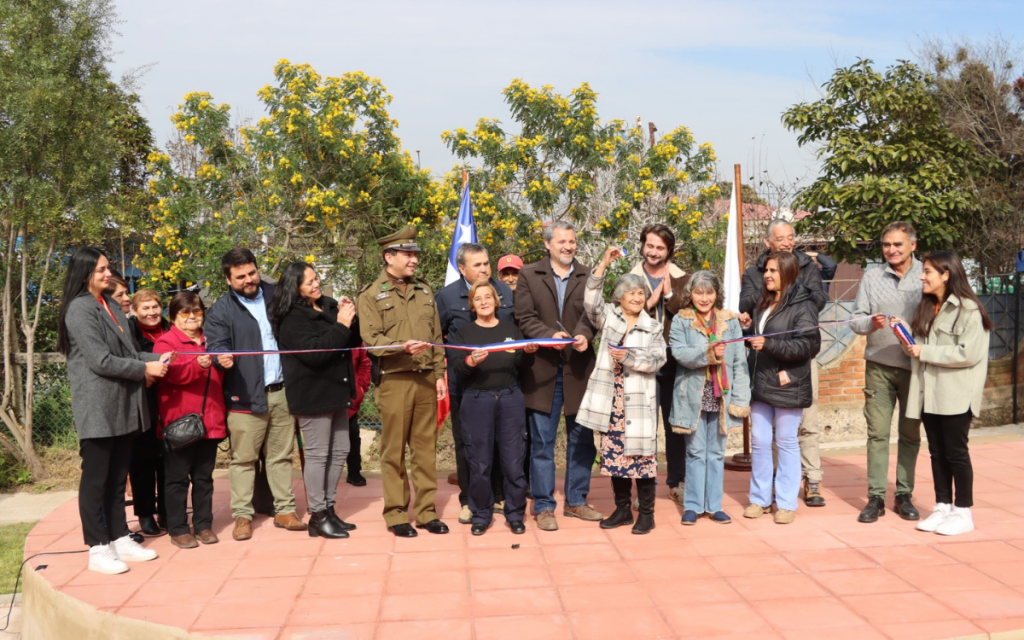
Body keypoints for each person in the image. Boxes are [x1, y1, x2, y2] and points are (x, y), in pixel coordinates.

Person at [57, 247, 168, 574]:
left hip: (122, 404)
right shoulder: (79, 309)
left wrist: (158, 358)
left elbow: (131, 352)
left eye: (108, 268)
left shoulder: (110, 306)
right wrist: (145, 371)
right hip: (98, 407)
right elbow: (100, 361)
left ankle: (119, 536)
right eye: (102, 270)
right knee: (96, 479)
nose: (109, 275)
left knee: (119, 476)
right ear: (85, 273)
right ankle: (97, 547)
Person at [205, 248, 306, 541]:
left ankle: (285, 511)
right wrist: (220, 357)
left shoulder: (277, 295)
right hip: (244, 396)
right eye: (240, 277)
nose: (249, 280)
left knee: (280, 457)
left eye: (252, 273)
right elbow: (215, 345)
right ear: (228, 279)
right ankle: (242, 516)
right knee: (243, 460)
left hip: (282, 392)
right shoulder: (221, 310)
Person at [357, 225, 449, 537]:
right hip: (394, 380)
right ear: (389, 256)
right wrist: (401, 347)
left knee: (424, 451)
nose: (414, 260)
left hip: (425, 380)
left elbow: (436, 337)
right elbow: (371, 340)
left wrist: (439, 375)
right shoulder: (371, 295)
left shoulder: (424, 290)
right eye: (408, 254)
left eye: (414, 254)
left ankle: (426, 513)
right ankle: (396, 514)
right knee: (393, 451)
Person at [900, 251, 992, 536]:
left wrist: (924, 351)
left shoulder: (968, 309)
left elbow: (968, 353)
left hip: (955, 393)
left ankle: (963, 511)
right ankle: (942, 506)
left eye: (928, 271)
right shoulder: (929, 306)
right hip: (929, 392)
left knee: (956, 453)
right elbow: (922, 346)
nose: (922, 276)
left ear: (946, 274)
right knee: (937, 453)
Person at [739, 218, 830, 507]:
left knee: (801, 429)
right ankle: (764, 495)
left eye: (791, 237)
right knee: (762, 439)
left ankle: (807, 483)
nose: (788, 242)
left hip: (794, 367)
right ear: (768, 243)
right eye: (781, 238)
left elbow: (816, 308)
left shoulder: (806, 272)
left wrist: (790, 294)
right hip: (761, 371)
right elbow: (746, 308)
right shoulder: (756, 280)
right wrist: (767, 299)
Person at [516, 220, 599, 531]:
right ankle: (544, 505)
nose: (568, 246)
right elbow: (524, 317)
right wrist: (550, 335)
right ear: (548, 244)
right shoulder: (529, 274)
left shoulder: (588, 274)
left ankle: (577, 500)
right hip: (542, 372)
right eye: (562, 241)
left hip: (579, 369)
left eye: (572, 241)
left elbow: (593, 314)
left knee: (582, 441)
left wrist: (583, 335)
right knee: (542, 442)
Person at [577, 247, 666, 534]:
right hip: (611, 401)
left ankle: (647, 514)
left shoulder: (652, 327)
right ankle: (623, 509)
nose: (638, 297)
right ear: (619, 297)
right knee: (615, 459)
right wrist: (603, 262)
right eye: (632, 293)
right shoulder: (609, 317)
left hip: (639, 403)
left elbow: (657, 360)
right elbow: (590, 300)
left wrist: (629, 357)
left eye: (641, 293)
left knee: (642, 460)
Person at [270, 261, 362, 539]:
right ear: (294, 287)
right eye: (308, 281)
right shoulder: (291, 318)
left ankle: (329, 508)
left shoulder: (329, 305)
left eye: (316, 277)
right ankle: (317, 515)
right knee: (318, 454)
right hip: (311, 394)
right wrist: (341, 325)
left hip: (337, 389)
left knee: (340, 450)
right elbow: (315, 353)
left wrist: (351, 318)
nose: (315, 283)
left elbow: (352, 341)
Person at [436, 243, 515, 525]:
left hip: (500, 384)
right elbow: (437, 336)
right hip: (465, 385)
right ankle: (469, 499)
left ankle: (497, 495)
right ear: (462, 269)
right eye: (477, 265)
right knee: (467, 444)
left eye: (486, 263)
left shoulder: (504, 292)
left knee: (499, 441)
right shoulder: (445, 297)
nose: (484, 269)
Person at [851, 222, 924, 523]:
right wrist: (871, 323)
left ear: (912, 246)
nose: (891, 250)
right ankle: (876, 497)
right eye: (886, 245)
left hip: (915, 369)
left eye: (898, 244)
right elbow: (855, 321)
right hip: (878, 367)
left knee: (910, 435)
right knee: (877, 434)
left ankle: (904, 494)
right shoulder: (871, 276)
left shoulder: (926, 275)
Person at [450, 281, 536, 535]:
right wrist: (470, 361)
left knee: (512, 462)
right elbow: (458, 369)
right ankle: (481, 514)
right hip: (477, 401)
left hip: (510, 399)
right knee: (479, 463)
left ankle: (515, 513)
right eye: (478, 298)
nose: (484, 301)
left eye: (488, 297)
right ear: (472, 304)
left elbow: (522, 365)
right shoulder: (464, 334)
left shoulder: (512, 329)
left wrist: (529, 352)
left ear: (497, 301)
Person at [669, 271, 750, 525]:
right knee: (695, 452)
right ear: (689, 294)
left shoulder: (730, 322)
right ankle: (693, 505)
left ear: (717, 294)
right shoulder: (681, 321)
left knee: (716, 452)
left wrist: (741, 398)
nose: (704, 298)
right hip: (692, 395)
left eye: (709, 292)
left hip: (722, 395)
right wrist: (709, 352)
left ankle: (714, 506)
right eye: (698, 292)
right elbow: (680, 354)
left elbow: (738, 361)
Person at [153, 292, 231, 548]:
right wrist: (198, 365)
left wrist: (226, 361)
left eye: (196, 311)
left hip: (211, 419)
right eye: (185, 312)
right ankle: (177, 528)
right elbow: (169, 374)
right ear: (173, 316)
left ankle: (203, 525)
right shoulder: (165, 343)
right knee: (176, 478)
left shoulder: (213, 339)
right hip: (180, 422)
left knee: (204, 477)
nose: (192, 317)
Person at [629, 223, 690, 505]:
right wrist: (652, 300)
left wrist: (668, 295)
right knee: (644, 427)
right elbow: (625, 316)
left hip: (674, 362)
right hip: (642, 364)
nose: (653, 252)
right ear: (642, 245)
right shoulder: (630, 279)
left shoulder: (681, 278)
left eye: (660, 248)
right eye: (649, 245)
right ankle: (646, 484)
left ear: (669, 251)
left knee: (674, 426)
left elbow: (688, 312)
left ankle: (677, 481)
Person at [126, 289, 170, 535]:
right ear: (135, 310)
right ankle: (145, 513)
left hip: (170, 400)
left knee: (168, 459)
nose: (152, 312)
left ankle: (166, 510)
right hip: (142, 400)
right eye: (145, 308)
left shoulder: (170, 329)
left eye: (155, 307)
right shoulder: (129, 332)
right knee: (142, 459)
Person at [346, 346, 372, 487]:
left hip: (352, 398)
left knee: (353, 436)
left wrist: (361, 386)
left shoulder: (355, 339)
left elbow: (364, 362)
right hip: (328, 397)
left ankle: (354, 472)